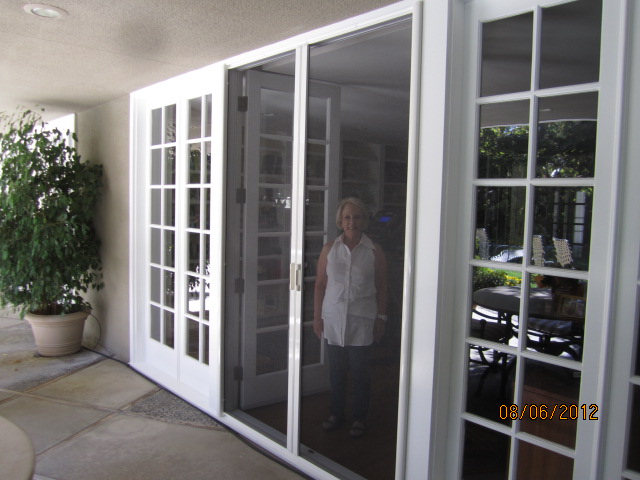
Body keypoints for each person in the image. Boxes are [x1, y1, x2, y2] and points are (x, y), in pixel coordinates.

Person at [313, 197, 388, 438]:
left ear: (363, 220)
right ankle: (336, 413)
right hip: (333, 318)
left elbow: (382, 285)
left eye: (356, 217)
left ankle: (359, 417)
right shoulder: (329, 249)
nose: (351, 222)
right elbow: (320, 285)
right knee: (336, 372)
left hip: (362, 320)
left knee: (360, 373)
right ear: (340, 221)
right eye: (347, 217)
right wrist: (317, 318)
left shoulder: (374, 251)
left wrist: (381, 318)